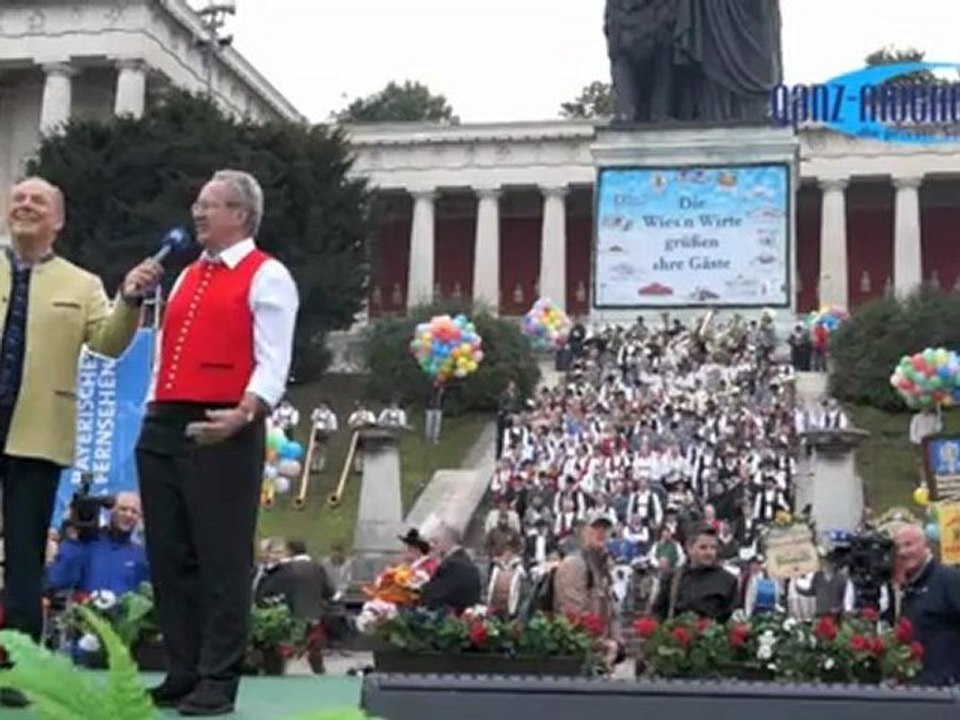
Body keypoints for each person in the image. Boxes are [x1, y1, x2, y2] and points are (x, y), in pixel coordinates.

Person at [135, 169, 298, 716]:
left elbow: (274, 359)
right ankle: (182, 668)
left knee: (221, 557)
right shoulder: (182, 276)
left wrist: (246, 412)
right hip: (165, 420)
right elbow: (165, 353)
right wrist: (152, 407)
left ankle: (218, 677)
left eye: (211, 204)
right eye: (198, 202)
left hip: (223, 418)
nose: (198, 213)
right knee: (169, 553)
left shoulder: (267, 275)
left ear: (241, 215)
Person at [0, 177, 160, 709]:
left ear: (57, 221)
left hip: (37, 436)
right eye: (18, 198)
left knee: (25, 559)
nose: (24, 205)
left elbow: (110, 343)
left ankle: (18, 669)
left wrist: (131, 299)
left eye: (37, 201)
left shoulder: (81, 282)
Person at [46, 492, 149, 596]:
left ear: (139, 517)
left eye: (134, 512)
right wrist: (72, 540)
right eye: (123, 509)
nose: (128, 515)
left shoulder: (141, 555)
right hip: (86, 610)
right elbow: (58, 581)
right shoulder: (85, 544)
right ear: (111, 511)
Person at [894, 524, 960, 686]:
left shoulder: (949, 579)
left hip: (947, 690)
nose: (902, 552)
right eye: (898, 547)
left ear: (925, 545)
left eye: (909, 544)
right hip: (916, 687)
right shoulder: (906, 586)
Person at [652, 523, 739, 622]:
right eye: (703, 547)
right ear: (689, 548)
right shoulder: (672, 578)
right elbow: (658, 615)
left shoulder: (728, 581)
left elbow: (732, 623)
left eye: (713, 548)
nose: (709, 552)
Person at [419, 524, 481, 613]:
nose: (431, 546)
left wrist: (419, 587)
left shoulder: (452, 564)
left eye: (435, 541)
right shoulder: (464, 559)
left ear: (446, 541)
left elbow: (434, 597)